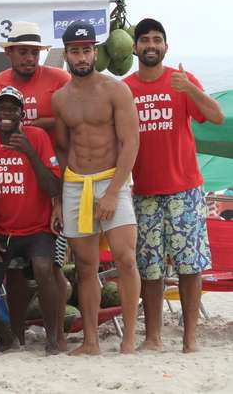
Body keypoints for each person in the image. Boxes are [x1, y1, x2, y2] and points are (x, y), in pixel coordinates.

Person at [123, 18, 224, 353]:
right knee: (149, 268)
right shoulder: (125, 88)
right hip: (145, 193)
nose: (151, 45)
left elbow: (217, 116)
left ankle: (189, 338)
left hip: (185, 189)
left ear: (165, 46)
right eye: (145, 40)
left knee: (189, 266)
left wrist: (189, 88)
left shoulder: (181, 80)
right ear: (135, 47)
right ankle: (152, 337)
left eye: (157, 40)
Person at [51, 21, 141, 355]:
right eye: (75, 51)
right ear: (67, 54)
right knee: (86, 266)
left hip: (112, 179)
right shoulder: (60, 99)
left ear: (95, 51)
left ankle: (129, 338)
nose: (82, 56)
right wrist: (65, 188)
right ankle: (90, 341)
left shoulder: (115, 89)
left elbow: (131, 142)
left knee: (126, 258)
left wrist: (114, 191)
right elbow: (62, 146)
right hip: (77, 184)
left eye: (87, 49)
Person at [0, 21, 71, 349]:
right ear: (10, 53)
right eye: (22, 52)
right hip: (14, 181)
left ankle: (58, 337)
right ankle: (17, 334)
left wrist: (40, 124)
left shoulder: (60, 79)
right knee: (13, 273)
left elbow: (76, 117)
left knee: (51, 266)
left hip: (57, 176)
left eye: (35, 52)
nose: (29, 58)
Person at [0, 86, 62, 354]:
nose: (7, 113)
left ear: (22, 114)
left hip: (38, 228)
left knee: (44, 268)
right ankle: (7, 334)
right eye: (2, 107)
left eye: (13, 108)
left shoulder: (37, 136)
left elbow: (54, 187)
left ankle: (53, 339)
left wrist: (30, 153)